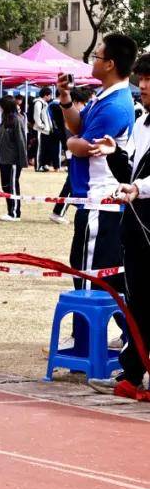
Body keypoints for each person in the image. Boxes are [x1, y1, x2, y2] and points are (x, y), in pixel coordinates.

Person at [90, 53, 150, 400]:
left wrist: (140, 188)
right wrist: (115, 153)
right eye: (141, 79)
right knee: (138, 303)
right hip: (137, 231)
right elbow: (133, 175)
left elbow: (141, 183)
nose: (143, 86)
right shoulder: (142, 124)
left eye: (149, 80)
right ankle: (132, 374)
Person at [57, 33, 137, 292]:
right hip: (92, 202)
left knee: (91, 279)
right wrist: (65, 98)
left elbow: (84, 147)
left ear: (110, 64)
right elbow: (77, 124)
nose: (93, 61)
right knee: (89, 271)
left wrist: (70, 143)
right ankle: (121, 333)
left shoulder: (116, 105)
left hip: (100, 203)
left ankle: (86, 334)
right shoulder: (103, 97)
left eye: (97, 56)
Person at [50, 87, 91, 225]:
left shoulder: (67, 112)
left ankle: (59, 211)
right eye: (85, 102)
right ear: (77, 102)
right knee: (70, 183)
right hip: (72, 151)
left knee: (71, 182)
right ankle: (58, 212)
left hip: (72, 150)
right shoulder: (70, 114)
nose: (86, 105)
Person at [0, 95, 28, 221]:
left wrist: (23, 161)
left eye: (1, 105)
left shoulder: (17, 120)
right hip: (4, 159)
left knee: (12, 185)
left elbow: (21, 141)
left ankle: (15, 213)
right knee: (5, 186)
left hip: (14, 160)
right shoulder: (5, 120)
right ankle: (10, 211)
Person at [32, 87, 55, 171]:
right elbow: (37, 116)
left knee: (43, 148)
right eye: (50, 95)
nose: (50, 97)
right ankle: (38, 166)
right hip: (40, 130)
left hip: (45, 130)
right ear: (46, 95)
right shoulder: (39, 103)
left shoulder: (44, 103)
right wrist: (42, 126)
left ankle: (42, 164)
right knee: (39, 148)